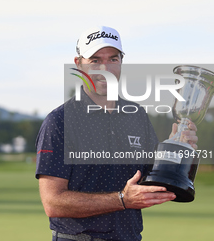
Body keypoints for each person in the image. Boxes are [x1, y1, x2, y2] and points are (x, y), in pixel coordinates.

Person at [35, 26, 198, 241]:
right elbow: (53, 202)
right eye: (95, 60)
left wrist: (179, 149)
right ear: (79, 64)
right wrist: (122, 199)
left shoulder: (137, 116)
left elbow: (153, 181)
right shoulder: (59, 121)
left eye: (113, 59)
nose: (105, 68)